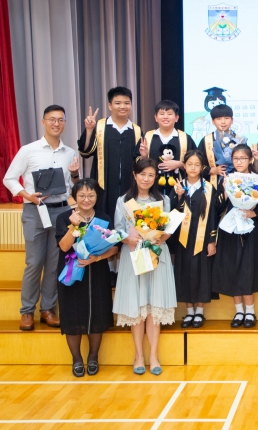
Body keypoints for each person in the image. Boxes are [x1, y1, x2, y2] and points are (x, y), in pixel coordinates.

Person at [3, 104, 80, 331]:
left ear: (64, 123)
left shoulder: (70, 153)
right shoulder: (29, 150)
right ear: (43, 122)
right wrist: (26, 195)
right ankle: (27, 311)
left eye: (60, 120)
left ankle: (48, 309)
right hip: (35, 211)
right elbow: (9, 178)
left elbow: (73, 186)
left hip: (60, 212)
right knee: (34, 263)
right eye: (52, 119)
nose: (56, 123)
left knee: (54, 264)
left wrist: (75, 175)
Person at [113, 158, 177, 375]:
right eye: (142, 174)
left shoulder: (163, 200)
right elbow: (118, 230)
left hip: (156, 254)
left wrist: (160, 238)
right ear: (134, 175)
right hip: (134, 255)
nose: (146, 179)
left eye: (151, 175)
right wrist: (127, 239)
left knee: (153, 307)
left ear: (155, 177)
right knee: (137, 307)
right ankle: (139, 356)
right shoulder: (124, 200)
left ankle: (153, 356)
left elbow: (168, 228)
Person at [77, 87, 142, 279]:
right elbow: (86, 152)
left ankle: (122, 269)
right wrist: (89, 130)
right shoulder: (100, 127)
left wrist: (144, 156)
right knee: (106, 225)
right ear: (110, 105)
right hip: (104, 186)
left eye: (126, 103)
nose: (123, 106)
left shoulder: (136, 130)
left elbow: (138, 160)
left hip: (128, 188)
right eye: (118, 103)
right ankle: (108, 269)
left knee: (126, 224)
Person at [56, 179, 118, 377]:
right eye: (82, 195)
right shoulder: (64, 217)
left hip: (97, 271)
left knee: (97, 313)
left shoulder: (103, 218)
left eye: (91, 195)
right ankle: (76, 359)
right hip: (71, 272)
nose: (86, 199)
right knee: (72, 314)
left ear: (96, 197)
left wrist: (97, 258)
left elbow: (114, 248)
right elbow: (64, 246)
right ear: (75, 197)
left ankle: (93, 357)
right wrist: (73, 227)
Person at [211, 144, 258, 328]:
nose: (239, 162)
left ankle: (250, 312)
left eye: (243, 158)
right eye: (236, 159)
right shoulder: (227, 179)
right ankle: (238, 311)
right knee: (232, 268)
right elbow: (217, 207)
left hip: (251, 230)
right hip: (230, 231)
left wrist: (255, 214)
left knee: (248, 269)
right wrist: (225, 191)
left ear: (250, 159)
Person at [171, 151, 222, 329]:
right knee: (184, 272)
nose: (193, 168)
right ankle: (189, 311)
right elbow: (171, 215)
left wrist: (212, 240)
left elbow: (214, 216)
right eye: (189, 164)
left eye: (197, 165)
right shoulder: (178, 186)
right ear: (184, 166)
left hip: (203, 238)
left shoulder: (209, 188)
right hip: (183, 239)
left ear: (202, 167)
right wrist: (178, 197)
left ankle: (199, 311)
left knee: (203, 272)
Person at [139, 100, 196, 197]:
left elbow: (196, 161)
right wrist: (143, 157)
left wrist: (180, 164)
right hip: (152, 186)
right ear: (156, 117)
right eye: (162, 114)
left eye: (169, 114)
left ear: (176, 118)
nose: (165, 117)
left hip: (179, 186)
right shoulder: (147, 137)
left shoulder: (185, 138)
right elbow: (136, 162)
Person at [196, 104, 248, 189]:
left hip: (237, 183)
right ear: (213, 121)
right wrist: (212, 170)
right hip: (212, 185)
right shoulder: (206, 140)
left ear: (232, 120)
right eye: (218, 119)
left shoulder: (239, 140)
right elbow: (197, 162)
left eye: (226, 118)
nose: (223, 122)